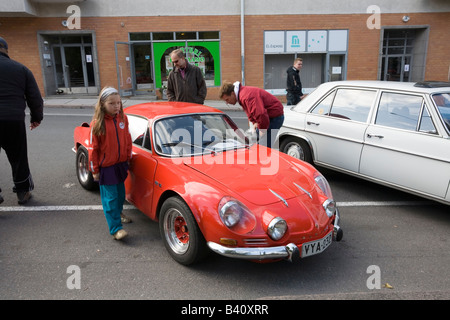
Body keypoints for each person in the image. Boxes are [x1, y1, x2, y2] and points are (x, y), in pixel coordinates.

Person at [0, 36, 43, 205]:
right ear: (6, 50)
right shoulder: (20, 69)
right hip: (13, 119)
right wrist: (36, 118)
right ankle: (22, 191)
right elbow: (35, 97)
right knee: (18, 157)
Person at [89, 87, 132, 240]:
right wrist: (94, 169)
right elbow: (93, 149)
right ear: (102, 105)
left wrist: (128, 157)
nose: (116, 106)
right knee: (110, 198)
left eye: (119, 103)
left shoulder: (122, 118)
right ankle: (115, 229)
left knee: (120, 195)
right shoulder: (97, 124)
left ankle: (118, 214)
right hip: (106, 167)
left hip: (120, 164)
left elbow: (127, 138)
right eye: (112, 103)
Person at [219, 81, 284, 148]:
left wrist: (262, 130)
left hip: (274, 117)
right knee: (258, 143)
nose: (227, 102)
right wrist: (254, 122)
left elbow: (261, 114)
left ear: (232, 94)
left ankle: (263, 156)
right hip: (268, 117)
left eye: (227, 99)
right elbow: (249, 110)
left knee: (263, 147)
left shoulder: (246, 96)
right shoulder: (242, 95)